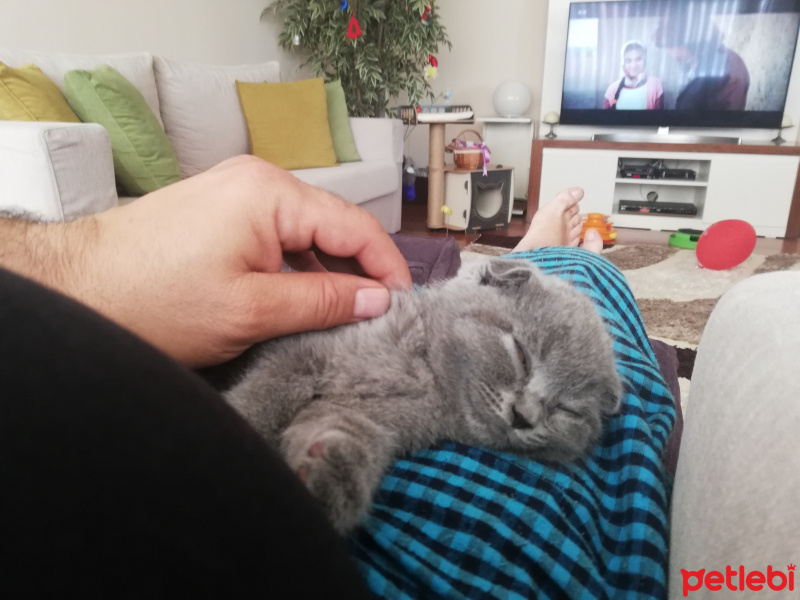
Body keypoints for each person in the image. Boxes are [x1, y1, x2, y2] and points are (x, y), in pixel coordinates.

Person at [0, 155, 673, 597]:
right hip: (487, 288)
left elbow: (367, 414)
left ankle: (562, 246)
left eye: (565, 413)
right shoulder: (419, 323)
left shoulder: (553, 394)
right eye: (522, 368)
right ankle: (556, 250)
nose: (527, 413)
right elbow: (305, 369)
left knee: (597, 307)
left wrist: (340, 452)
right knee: (589, 279)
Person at [654, 7, 750, 110]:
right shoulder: (695, 61)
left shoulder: (728, 68)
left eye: (670, 46)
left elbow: (725, 120)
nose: (669, 52)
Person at [604, 41, 665, 110]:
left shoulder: (655, 84)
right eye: (628, 61)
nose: (633, 65)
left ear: (645, 61)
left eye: (638, 59)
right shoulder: (613, 88)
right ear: (623, 64)